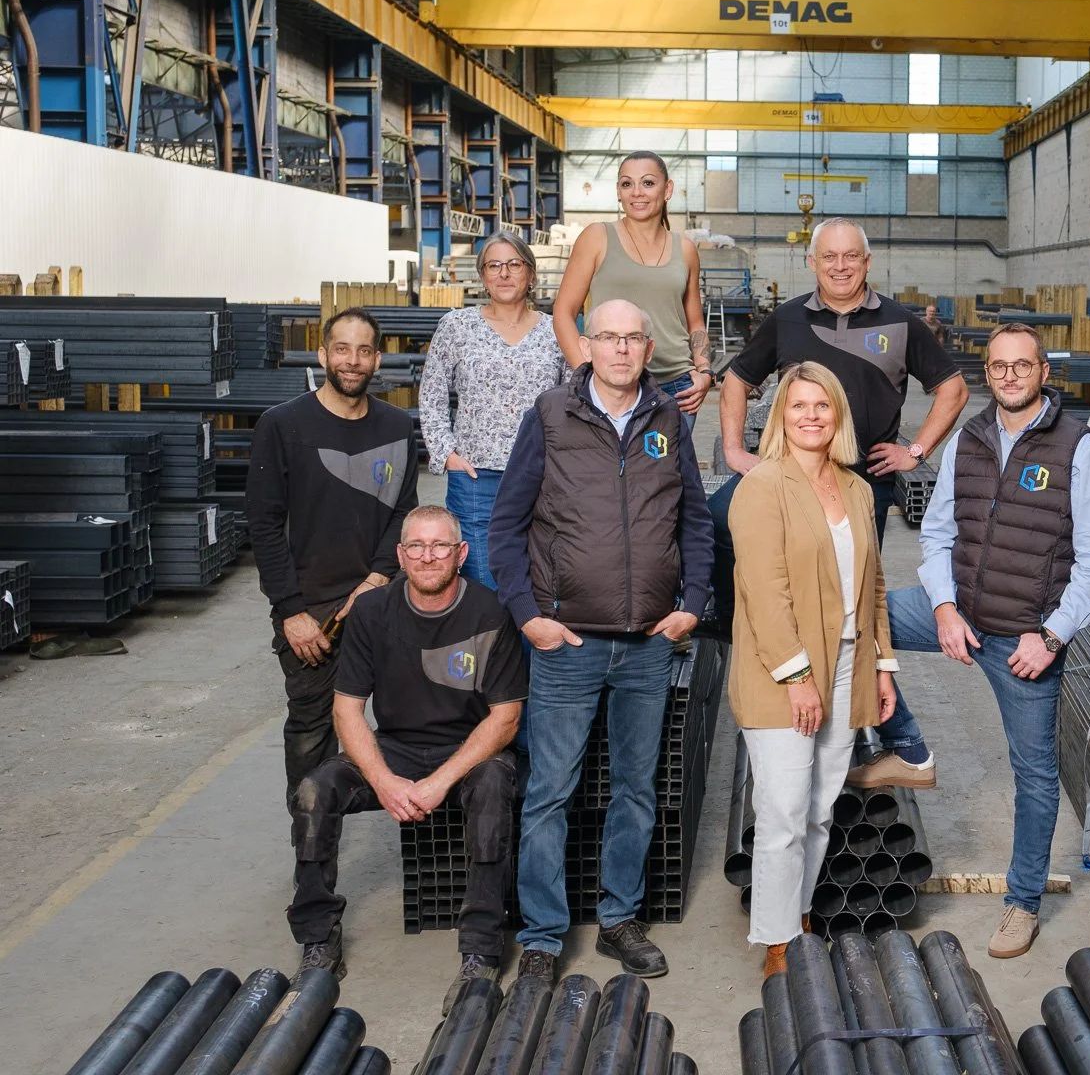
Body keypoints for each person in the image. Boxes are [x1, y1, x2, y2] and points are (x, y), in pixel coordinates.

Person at [488, 298, 713, 982]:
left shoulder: (669, 420)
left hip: (648, 644)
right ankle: (543, 936)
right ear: (587, 344)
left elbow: (696, 522)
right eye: (608, 337)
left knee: (636, 790)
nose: (620, 349)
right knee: (550, 790)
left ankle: (619, 919)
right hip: (568, 645)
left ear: (650, 348)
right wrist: (530, 616)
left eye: (633, 338)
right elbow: (506, 526)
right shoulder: (551, 416)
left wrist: (693, 604)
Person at [884, 323, 1090, 959]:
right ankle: (906, 745)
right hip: (960, 613)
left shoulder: (1079, 449)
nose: (1009, 375)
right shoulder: (970, 440)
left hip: (1024, 641)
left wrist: (1051, 636)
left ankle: (1023, 902)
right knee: (859, 619)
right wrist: (945, 608)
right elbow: (935, 536)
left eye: (1022, 365)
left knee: (1035, 775)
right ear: (987, 373)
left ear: (1043, 373)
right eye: (998, 366)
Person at [715, 217, 968, 789]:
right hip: (789, 480)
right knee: (726, 536)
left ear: (867, 261)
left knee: (845, 607)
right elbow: (736, 381)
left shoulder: (900, 323)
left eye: (849, 256)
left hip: (860, 485)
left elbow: (952, 388)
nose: (839, 266)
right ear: (812, 263)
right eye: (828, 257)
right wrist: (735, 450)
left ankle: (874, 731)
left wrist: (916, 449)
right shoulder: (786, 320)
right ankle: (781, 668)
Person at [288, 506, 525, 1011]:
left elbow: (505, 718)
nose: (427, 556)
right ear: (400, 555)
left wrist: (439, 782)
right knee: (313, 791)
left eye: (440, 546)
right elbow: (347, 710)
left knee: (490, 789)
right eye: (416, 546)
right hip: (394, 745)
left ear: (461, 554)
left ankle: (481, 950)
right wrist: (385, 781)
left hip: (468, 750)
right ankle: (317, 937)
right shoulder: (372, 611)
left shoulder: (490, 612)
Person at [727, 362, 899, 977]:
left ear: (837, 415)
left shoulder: (854, 489)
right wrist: (798, 678)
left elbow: (873, 584)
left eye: (821, 406)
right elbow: (764, 592)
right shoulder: (762, 485)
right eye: (798, 406)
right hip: (783, 673)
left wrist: (884, 664)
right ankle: (777, 943)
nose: (810, 416)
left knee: (822, 807)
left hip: (850, 662)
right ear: (781, 415)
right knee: (783, 811)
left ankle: (798, 917)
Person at [249, 307, 419, 799]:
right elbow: (263, 526)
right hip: (314, 615)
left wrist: (376, 580)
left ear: (377, 360)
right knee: (311, 732)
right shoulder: (282, 425)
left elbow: (402, 515)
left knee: (407, 717)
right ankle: (314, 859)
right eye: (342, 349)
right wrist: (291, 611)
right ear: (323, 354)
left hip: (382, 600)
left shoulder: (394, 426)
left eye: (364, 350)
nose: (353, 360)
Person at [420, 231, 567, 589]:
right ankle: (492, 648)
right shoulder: (457, 326)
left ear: (531, 274)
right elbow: (431, 395)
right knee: (485, 583)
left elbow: (573, 401)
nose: (504, 273)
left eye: (514, 264)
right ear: (483, 276)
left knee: (539, 580)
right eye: (494, 265)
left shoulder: (556, 332)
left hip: (541, 476)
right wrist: (447, 454)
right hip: (476, 477)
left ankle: (530, 647)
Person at [553, 151, 715, 419]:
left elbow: (695, 323)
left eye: (648, 183)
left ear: (668, 189)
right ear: (619, 191)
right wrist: (589, 375)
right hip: (611, 385)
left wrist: (705, 371)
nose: (637, 192)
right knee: (609, 462)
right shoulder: (597, 237)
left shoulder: (685, 249)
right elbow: (563, 314)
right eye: (627, 184)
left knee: (666, 462)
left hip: (676, 388)